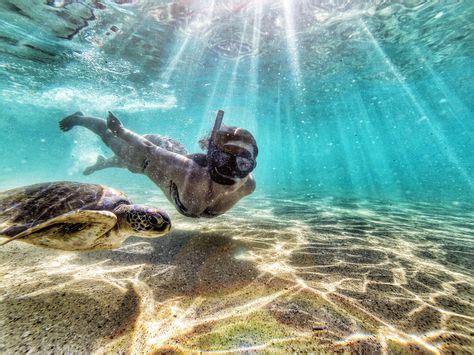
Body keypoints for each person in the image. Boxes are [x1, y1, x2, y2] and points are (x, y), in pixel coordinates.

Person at [59, 110, 258, 218]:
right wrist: (119, 130)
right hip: (149, 160)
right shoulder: (190, 174)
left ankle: (100, 164)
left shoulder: (248, 186)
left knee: (121, 161)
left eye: (242, 163)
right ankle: (80, 118)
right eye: (224, 161)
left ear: (250, 165)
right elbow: (150, 150)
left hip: (174, 157)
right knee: (112, 141)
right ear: (215, 159)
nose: (233, 172)